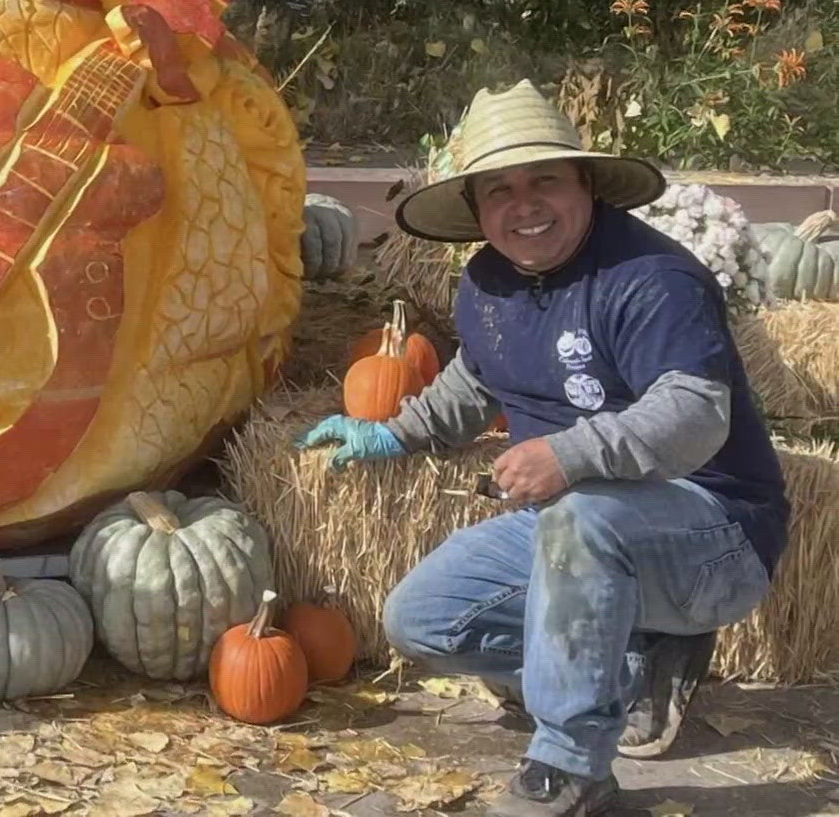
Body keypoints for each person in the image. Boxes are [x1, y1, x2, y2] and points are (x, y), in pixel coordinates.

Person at [298, 80, 788, 817]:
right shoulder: (488, 282)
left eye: (545, 181)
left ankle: (572, 770)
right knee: (423, 621)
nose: (522, 205)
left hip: (713, 533)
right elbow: (475, 377)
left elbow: (695, 416)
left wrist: (568, 455)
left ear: (586, 184)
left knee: (584, 516)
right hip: (576, 527)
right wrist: (390, 433)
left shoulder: (654, 278)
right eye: (499, 190)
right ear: (476, 210)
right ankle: (629, 666)